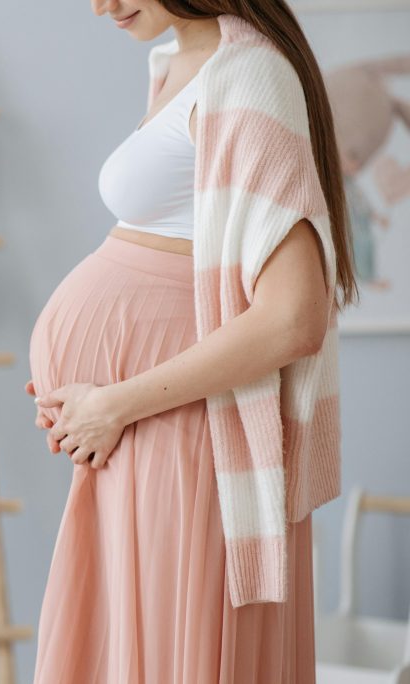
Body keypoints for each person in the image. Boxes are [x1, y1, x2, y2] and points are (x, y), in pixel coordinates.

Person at [26, 2, 360, 682]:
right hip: (141, 432)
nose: (102, 6)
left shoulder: (252, 75)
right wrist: (87, 400)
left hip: (185, 434)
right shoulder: (179, 64)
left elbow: (294, 317)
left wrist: (115, 401)